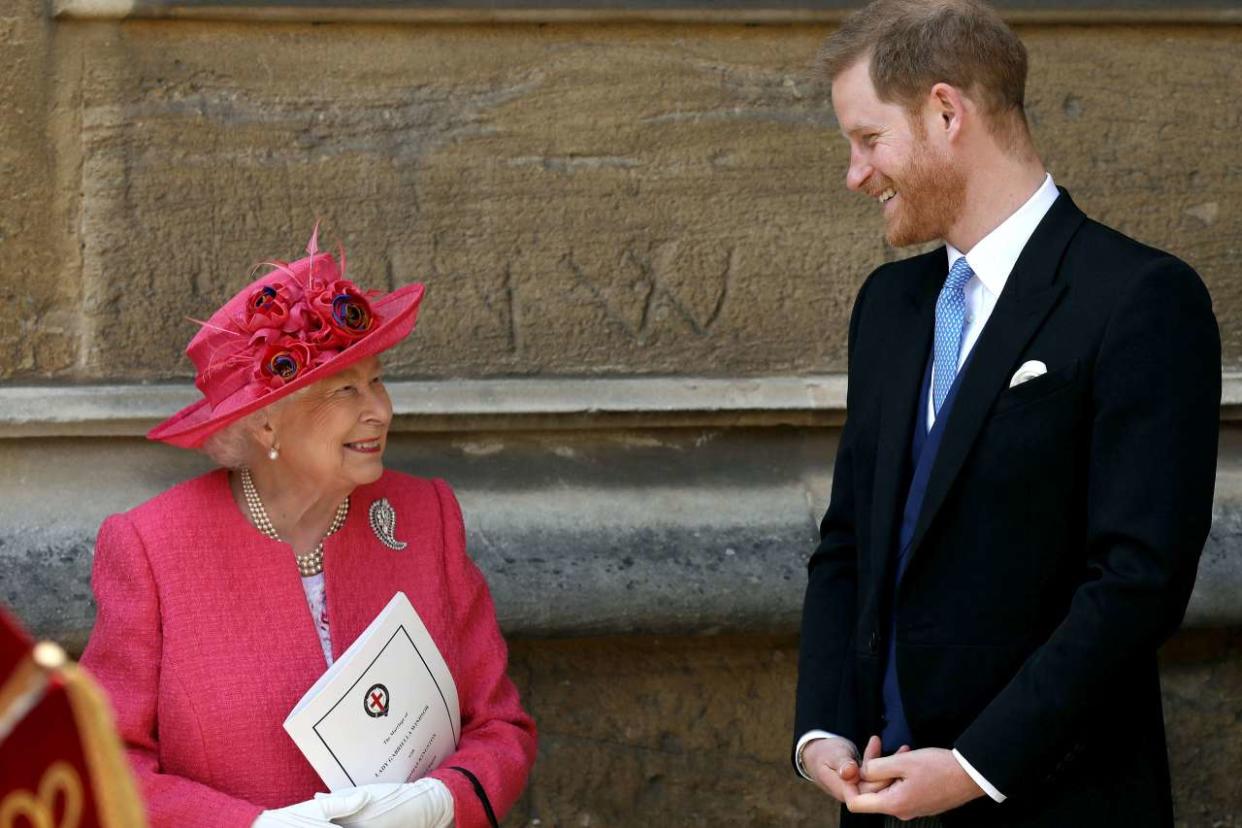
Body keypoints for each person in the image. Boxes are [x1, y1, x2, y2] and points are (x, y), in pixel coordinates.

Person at [792, 1, 1220, 826]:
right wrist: (823, 731)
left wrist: (973, 767)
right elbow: (848, 542)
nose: (855, 174)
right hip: (878, 804)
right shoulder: (889, 306)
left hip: (1058, 801)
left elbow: (1139, 582)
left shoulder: (1139, 299)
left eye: (869, 140)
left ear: (947, 112)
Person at [80, 227, 536, 828]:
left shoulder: (426, 517)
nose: (381, 409)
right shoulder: (152, 548)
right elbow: (101, 767)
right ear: (265, 427)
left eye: (377, 379)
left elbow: (500, 727)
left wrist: (438, 803)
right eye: (345, 389)